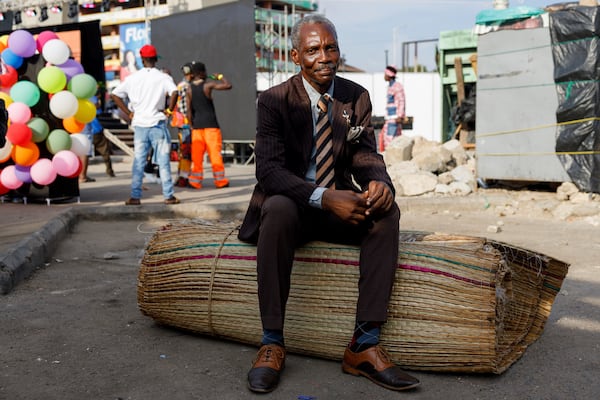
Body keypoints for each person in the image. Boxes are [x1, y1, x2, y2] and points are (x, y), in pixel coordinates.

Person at [238, 14, 420, 394]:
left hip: (338, 205)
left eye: (330, 47)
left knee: (386, 213)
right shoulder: (273, 101)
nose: (324, 56)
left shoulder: (355, 96)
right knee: (278, 207)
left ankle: (364, 345)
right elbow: (268, 172)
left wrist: (378, 183)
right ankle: (272, 341)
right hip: (293, 207)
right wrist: (323, 197)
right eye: (313, 49)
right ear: (295, 56)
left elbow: (365, 154)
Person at [110, 44, 180, 205]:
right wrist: (169, 110)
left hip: (140, 124)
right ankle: (168, 195)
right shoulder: (163, 77)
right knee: (163, 161)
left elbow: (115, 94)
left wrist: (128, 113)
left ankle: (135, 196)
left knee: (139, 161)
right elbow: (175, 92)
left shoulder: (133, 78)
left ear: (142, 60)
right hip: (157, 123)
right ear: (155, 59)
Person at [187, 61, 231, 189]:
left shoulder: (189, 88)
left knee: (196, 157)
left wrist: (191, 125)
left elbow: (189, 111)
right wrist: (220, 77)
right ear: (201, 73)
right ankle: (220, 181)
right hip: (211, 126)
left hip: (197, 127)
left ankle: (195, 182)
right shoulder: (208, 85)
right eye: (205, 71)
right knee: (215, 155)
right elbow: (228, 85)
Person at [80, 96, 115, 183]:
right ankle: (83, 176)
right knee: (102, 152)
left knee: (80, 152)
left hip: (78, 128)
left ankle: (80, 175)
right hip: (93, 129)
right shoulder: (89, 96)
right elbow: (96, 105)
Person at [171, 62, 193, 187]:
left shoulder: (180, 85)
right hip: (185, 123)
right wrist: (190, 122)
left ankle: (181, 176)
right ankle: (183, 178)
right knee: (186, 151)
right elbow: (185, 108)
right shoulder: (186, 86)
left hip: (180, 123)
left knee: (183, 151)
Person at [378, 65, 406, 152]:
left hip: (394, 119)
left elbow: (401, 100)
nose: (384, 76)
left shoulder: (397, 86)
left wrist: (400, 115)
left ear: (389, 75)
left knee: (390, 142)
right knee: (386, 140)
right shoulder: (390, 86)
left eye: (385, 74)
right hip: (389, 119)